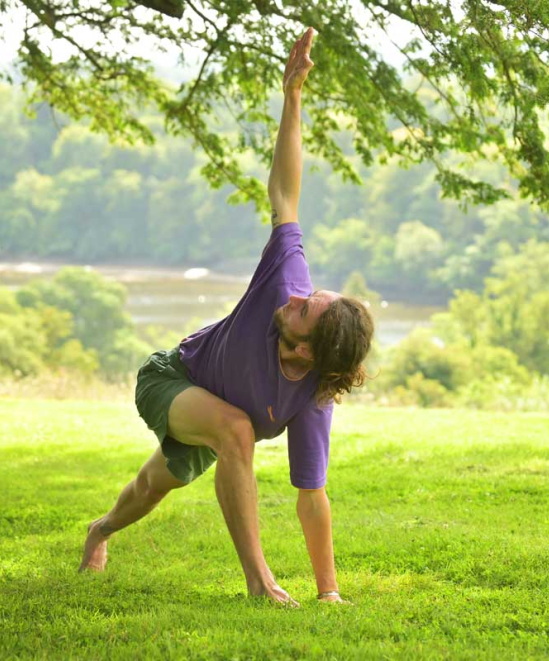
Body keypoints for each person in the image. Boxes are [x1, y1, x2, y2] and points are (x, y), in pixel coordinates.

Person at [78, 27, 374, 607]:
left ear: (309, 352)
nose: (297, 299)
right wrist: (292, 99)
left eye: (305, 311)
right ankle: (259, 585)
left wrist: (330, 592)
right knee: (236, 431)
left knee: (150, 487)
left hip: (216, 420)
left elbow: (312, 494)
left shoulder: (312, 397)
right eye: (306, 296)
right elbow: (286, 193)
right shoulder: (282, 282)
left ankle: (99, 531)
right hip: (173, 377)